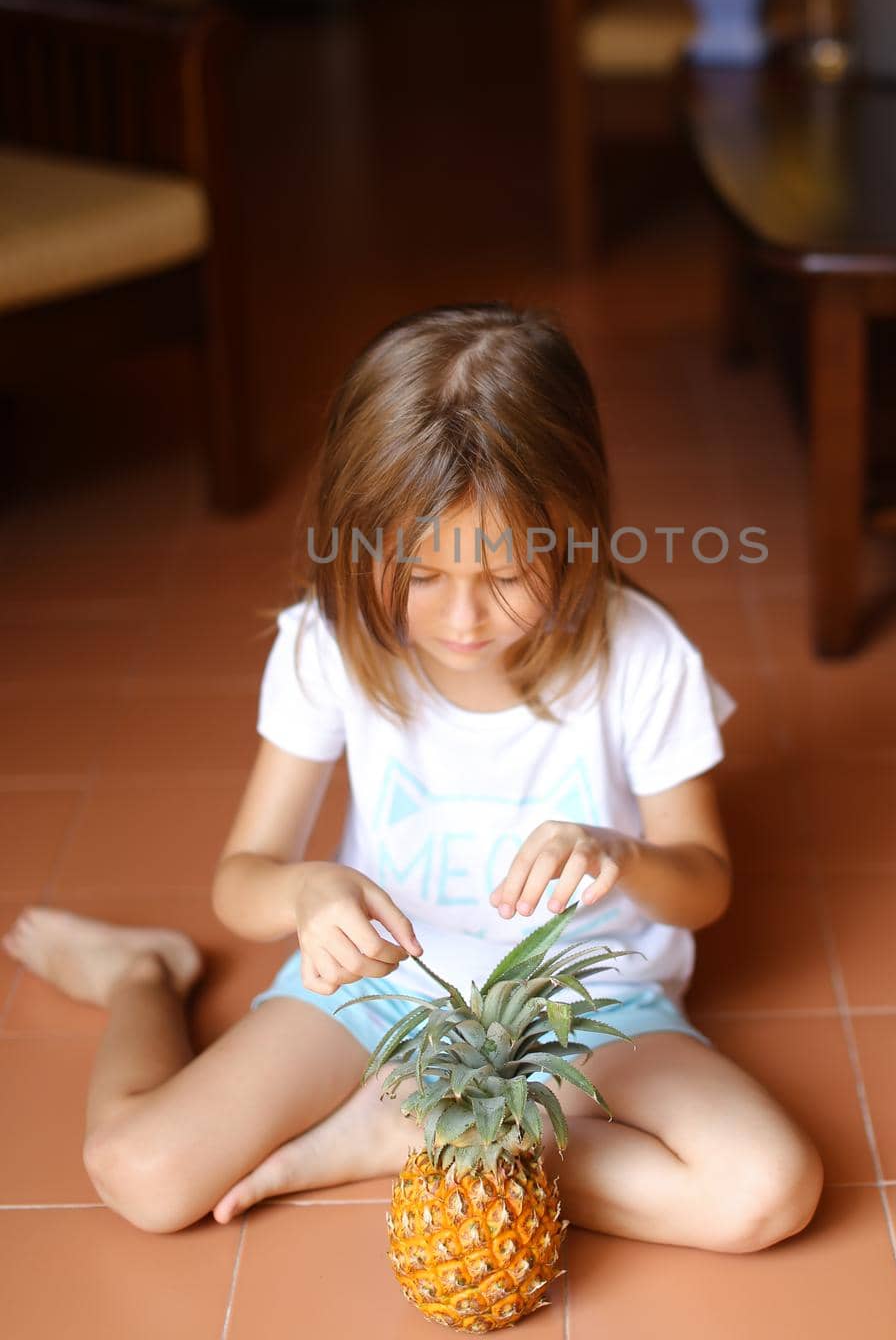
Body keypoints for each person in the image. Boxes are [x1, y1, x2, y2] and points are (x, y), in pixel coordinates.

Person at [1, 301, 823, 1249]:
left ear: (575, 532)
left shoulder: (640, 653)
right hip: (374, 994)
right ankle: (146, 974)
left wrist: (621, 852)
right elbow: (242, 880)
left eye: (508, 574)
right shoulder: (327, 645)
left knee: (767, 1190)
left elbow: (704, 887)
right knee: (141, 1177)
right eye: (418, 576)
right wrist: (308, 891)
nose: (462, 620)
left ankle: (407, 1132)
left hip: (582, 1011)